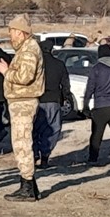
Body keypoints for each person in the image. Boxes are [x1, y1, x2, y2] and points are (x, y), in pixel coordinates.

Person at [0, 14, 44, 201]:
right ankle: (31, 185)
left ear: (21, 32)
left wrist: (7, 72)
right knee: (21, 142)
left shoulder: (29, 51)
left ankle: (27, 186)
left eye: (12, 31)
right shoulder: (26, 49)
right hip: (21, 101)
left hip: (24, 102)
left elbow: (25, 76)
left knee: (22, 144)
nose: (10, 35)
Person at [33, 39, 71, 167]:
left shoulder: (36, 64)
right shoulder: (59, 64)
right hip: (54, 100)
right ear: (52, 49)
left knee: (34, 129)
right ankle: (45, 156)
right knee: (53, 129)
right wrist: (66, 97)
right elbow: (65, 84)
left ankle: (34, 154)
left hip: (37, 100)